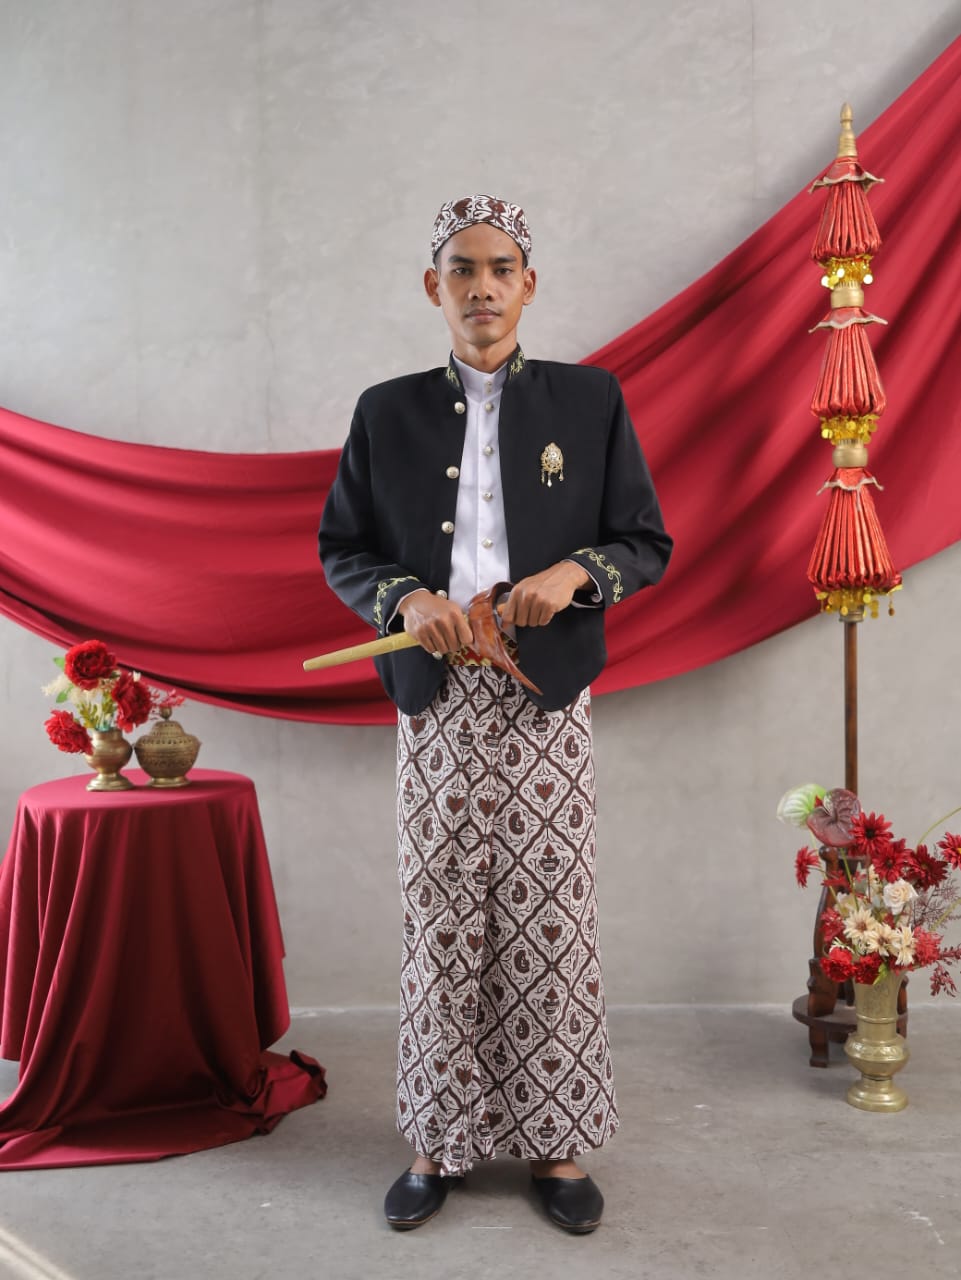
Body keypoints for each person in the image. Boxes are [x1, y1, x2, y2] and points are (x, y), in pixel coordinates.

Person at [319, 194, 672, 1234]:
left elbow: (643, 541)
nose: (482, 287)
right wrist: (404, 598)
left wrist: (574, 573)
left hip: (544, 698)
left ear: (528, 284)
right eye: (462, 269)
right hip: (434, 700)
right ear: (433, 287)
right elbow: (344, 547)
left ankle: (555, 1144)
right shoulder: (385, 411)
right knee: (439, 918)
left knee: (548, 917)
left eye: (501, 268)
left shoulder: (590, 399)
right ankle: (436, 1139)